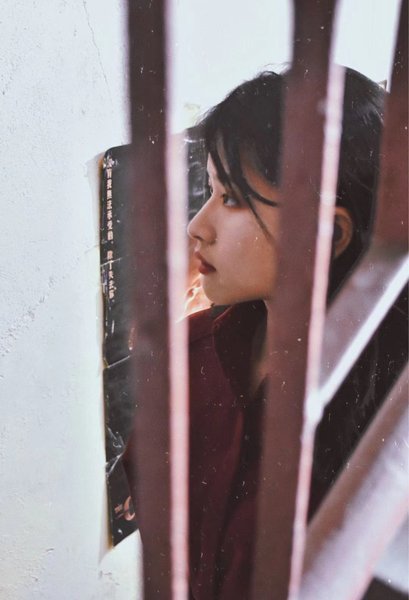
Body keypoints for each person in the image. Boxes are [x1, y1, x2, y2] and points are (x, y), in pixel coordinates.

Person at [124, 68, 407, 599]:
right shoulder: (193, 351)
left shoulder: (390, 409)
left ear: (325, 233)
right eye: (210, 190)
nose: (197, 227)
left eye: (232, 199)